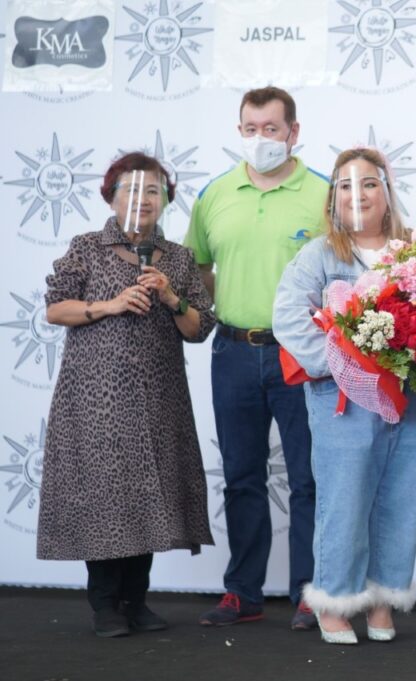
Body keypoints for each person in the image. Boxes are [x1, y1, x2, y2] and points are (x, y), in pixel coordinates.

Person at [37, 152, 215, 637]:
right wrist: (109, 305)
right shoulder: (87, 248)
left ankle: (136, 601)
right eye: (132, 190)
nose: (143, 199)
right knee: (105, 495)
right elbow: (55, 309)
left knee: (151, 494)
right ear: (111, 198)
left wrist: (171, 297)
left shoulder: (178, 258)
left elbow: (199, 328)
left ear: (166, 200)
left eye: (153, 190)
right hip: (96, 400)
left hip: (160, 397)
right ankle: (105, 607)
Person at [273, 148, 416, 645]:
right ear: (332, 198)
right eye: (344, 185)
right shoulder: (319, 255)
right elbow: (288, 318)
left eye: (368, 183)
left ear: (387, 192)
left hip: (410, 397)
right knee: (344, 499)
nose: (357, 195)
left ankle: (383, 600)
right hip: (343, 400)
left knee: (403, 496)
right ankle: (335, 600)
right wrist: (344, 364)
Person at [185, 86, 328, 630]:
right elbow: (198, 268)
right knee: (241, 476)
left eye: (271, 128)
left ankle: (311, 594)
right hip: (233, 351)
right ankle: (242, 592)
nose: (260, 138)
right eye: (251, 128)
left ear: (293, 132)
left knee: (309, 479)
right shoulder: (215, 194)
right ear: (239, 130)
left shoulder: (323, 194)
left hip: (302, 354)